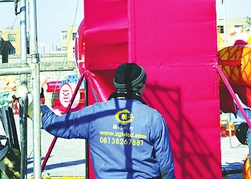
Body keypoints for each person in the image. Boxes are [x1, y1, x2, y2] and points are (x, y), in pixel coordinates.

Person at [40, 62, 176, 179]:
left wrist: (34, 105)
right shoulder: (153, 118)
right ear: (141, 87)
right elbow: (166, 167)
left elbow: (54, 124)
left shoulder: (95, 114)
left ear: (116, 85)